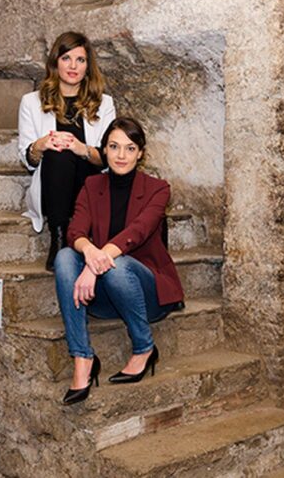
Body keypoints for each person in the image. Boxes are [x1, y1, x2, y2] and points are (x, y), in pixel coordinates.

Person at [54, 117, 185, 405]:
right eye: (114, 147)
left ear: (140, 153)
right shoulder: (92, 184)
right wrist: (89, 254)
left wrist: (96, 263)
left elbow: (137, 233)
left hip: (147, 292)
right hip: (104, 295)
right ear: (104, 150)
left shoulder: (158, 188)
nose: (121, 155)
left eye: (129, 148)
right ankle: (82, 358)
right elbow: (76, 230)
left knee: (119, 265)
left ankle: (143, 347)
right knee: (65, 256)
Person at [18, 31, 116, 270]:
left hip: (90, 183)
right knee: (58, 153)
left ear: (87, 66)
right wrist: (41, 144)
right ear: (55, 62)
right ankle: (59, 237)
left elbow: (109, 158)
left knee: (71, 151)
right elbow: (28, 160)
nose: (73, 66)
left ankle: (70, 236)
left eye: (80, 60)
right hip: (54, 184)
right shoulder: (31, 102)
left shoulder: (105, 103)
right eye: (66, 58)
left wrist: (81, 148)